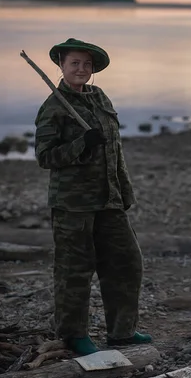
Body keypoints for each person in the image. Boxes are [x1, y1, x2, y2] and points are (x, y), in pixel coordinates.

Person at [34, 38, 152, 355]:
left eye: (86, 64)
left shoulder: (99, 97)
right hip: (73, 205)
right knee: (75, 270)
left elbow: (115, 151)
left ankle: (122, 333)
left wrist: (124, 189)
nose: (81, 69)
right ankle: (74, 336)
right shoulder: (54, 108)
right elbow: (45, 157)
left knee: (127, 262)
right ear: (61, 64)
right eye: (75, 63)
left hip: (109, 200)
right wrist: (81, 144)